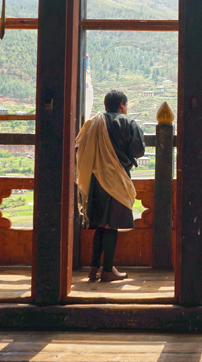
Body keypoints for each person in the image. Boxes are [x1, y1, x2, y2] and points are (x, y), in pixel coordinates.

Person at [75, 90, 145, 282]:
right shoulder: (128, 123)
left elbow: (80, 147)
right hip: (117, 178)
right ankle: (107, 271)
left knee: (100, 226)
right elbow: (138, 151)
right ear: (122, 105)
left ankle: (93, 269)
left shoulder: (93, 124)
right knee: (111, 226)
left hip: (96, 180)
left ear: (106, 105)